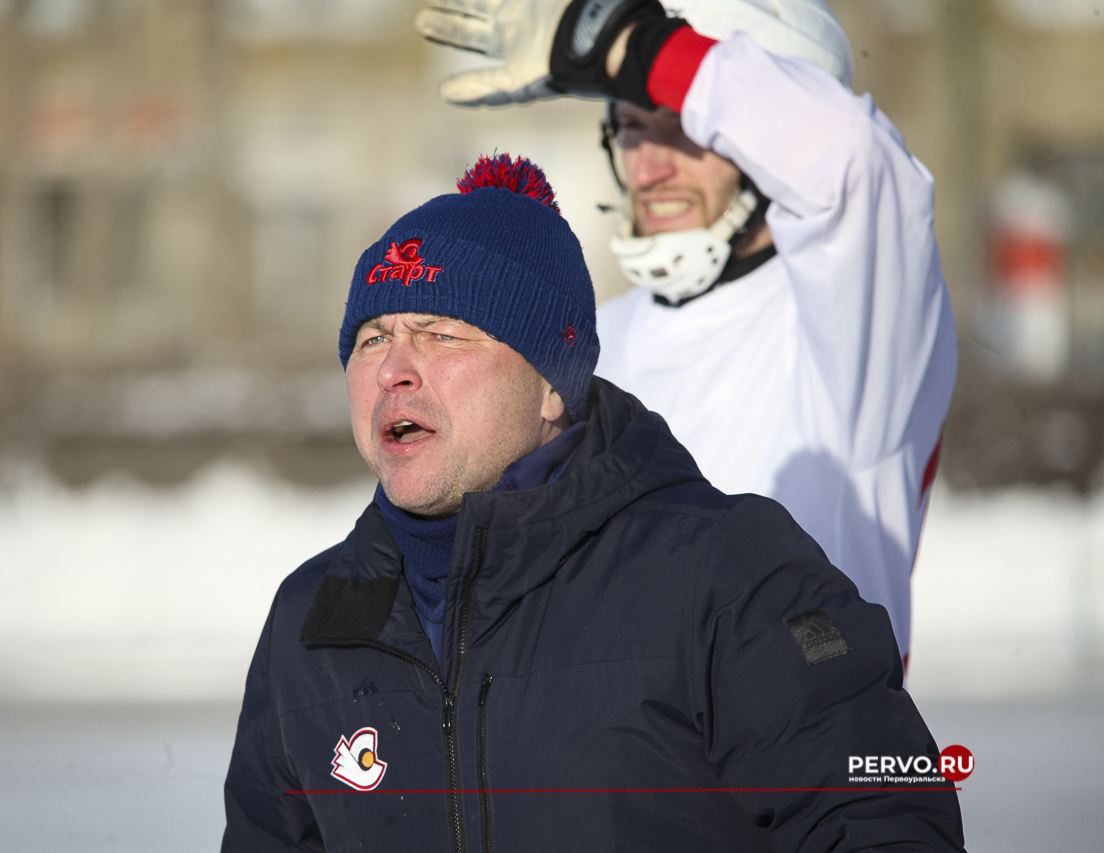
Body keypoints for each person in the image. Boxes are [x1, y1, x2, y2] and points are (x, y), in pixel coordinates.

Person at [221, 154, 964, 852]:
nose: (394, 370)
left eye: (442, 333)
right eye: (372, 338)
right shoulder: (312, 622)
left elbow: (886, 819)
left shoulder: (724, 571)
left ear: (552, 384)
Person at [414, 0, 958, 663]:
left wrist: (620, 44)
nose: (649, 168)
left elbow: (852, 164)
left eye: (687, 128)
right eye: (632, 128)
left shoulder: (858, 322)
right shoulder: (591, 343)